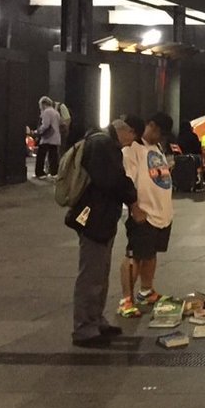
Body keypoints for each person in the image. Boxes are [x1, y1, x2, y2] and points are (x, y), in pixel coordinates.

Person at [65, 119, 138, 348]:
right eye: (132, 137)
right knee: (91, 274)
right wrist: (131, 196)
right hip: (93, 218)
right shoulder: (101, 144)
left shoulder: (104, 143)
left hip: (102, 218)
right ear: (125, 130)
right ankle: (84, 328)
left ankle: (96, 320)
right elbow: (111, 180)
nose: (130, 143)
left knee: (100, 272)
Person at [116, 112, 175, 319]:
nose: (161, 138)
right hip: (143, 212)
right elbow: (126, 182)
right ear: (151, 126)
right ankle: (126, 299)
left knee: (150, 254)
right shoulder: (132, 149)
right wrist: (134, 207)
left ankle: (146, 291)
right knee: (135, 256)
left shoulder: (156, 147)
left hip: (161, 213)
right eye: (160, 133)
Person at [34, 96, 63, 179]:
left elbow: (46, 125)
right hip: (56, 137)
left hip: (47, 138)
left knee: (41, 155)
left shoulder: (46, 112)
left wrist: (38, 131)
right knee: (53, 156)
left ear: (43, 104)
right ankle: (54, 173)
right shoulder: (56, 112)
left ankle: (40, 173)